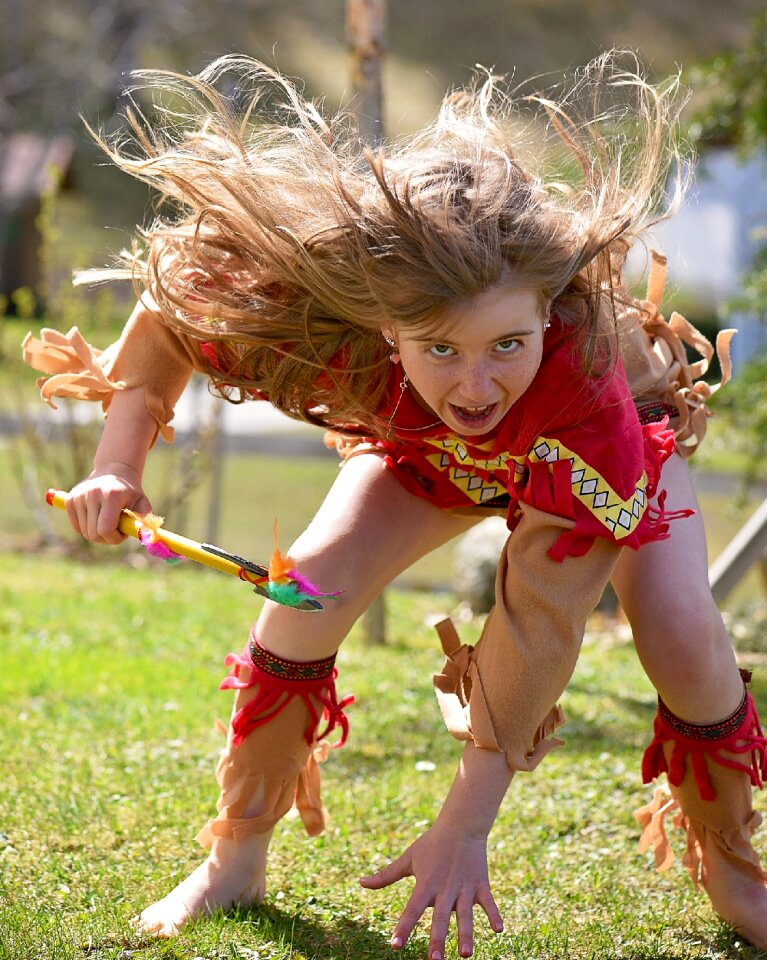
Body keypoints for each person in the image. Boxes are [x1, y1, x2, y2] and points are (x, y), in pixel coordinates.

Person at [22, 52, 767, 957]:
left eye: (506, 344)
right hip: (432, 462)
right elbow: (175, 310)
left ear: (547, 314)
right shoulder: (331, 320)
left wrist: (466, 822)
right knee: (311, 585)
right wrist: (115, 464)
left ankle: (729, 862)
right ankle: (236, 854)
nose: (477, 381)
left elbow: (540, 622)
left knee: (682, 631)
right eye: (438, 350)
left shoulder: (586, 397)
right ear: (385, 325)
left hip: (589, 464)